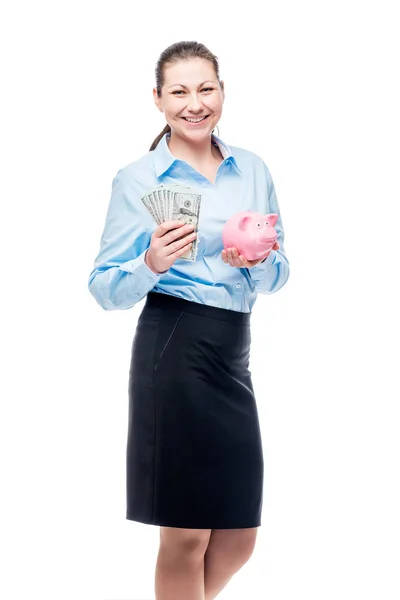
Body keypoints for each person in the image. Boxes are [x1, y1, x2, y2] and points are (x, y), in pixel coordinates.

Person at [88, 40, 289, 600]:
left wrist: (257, 261)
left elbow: (281, 273)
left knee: (239, 535)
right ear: (158, 99)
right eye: (179, 91)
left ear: (222, 91)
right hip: (172, 347)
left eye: (206, 88)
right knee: (186, 534)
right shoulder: (138, 179)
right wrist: (151, 262)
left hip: (233, 355)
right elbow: (104, 289)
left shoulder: (252, 169)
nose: (194, 104)